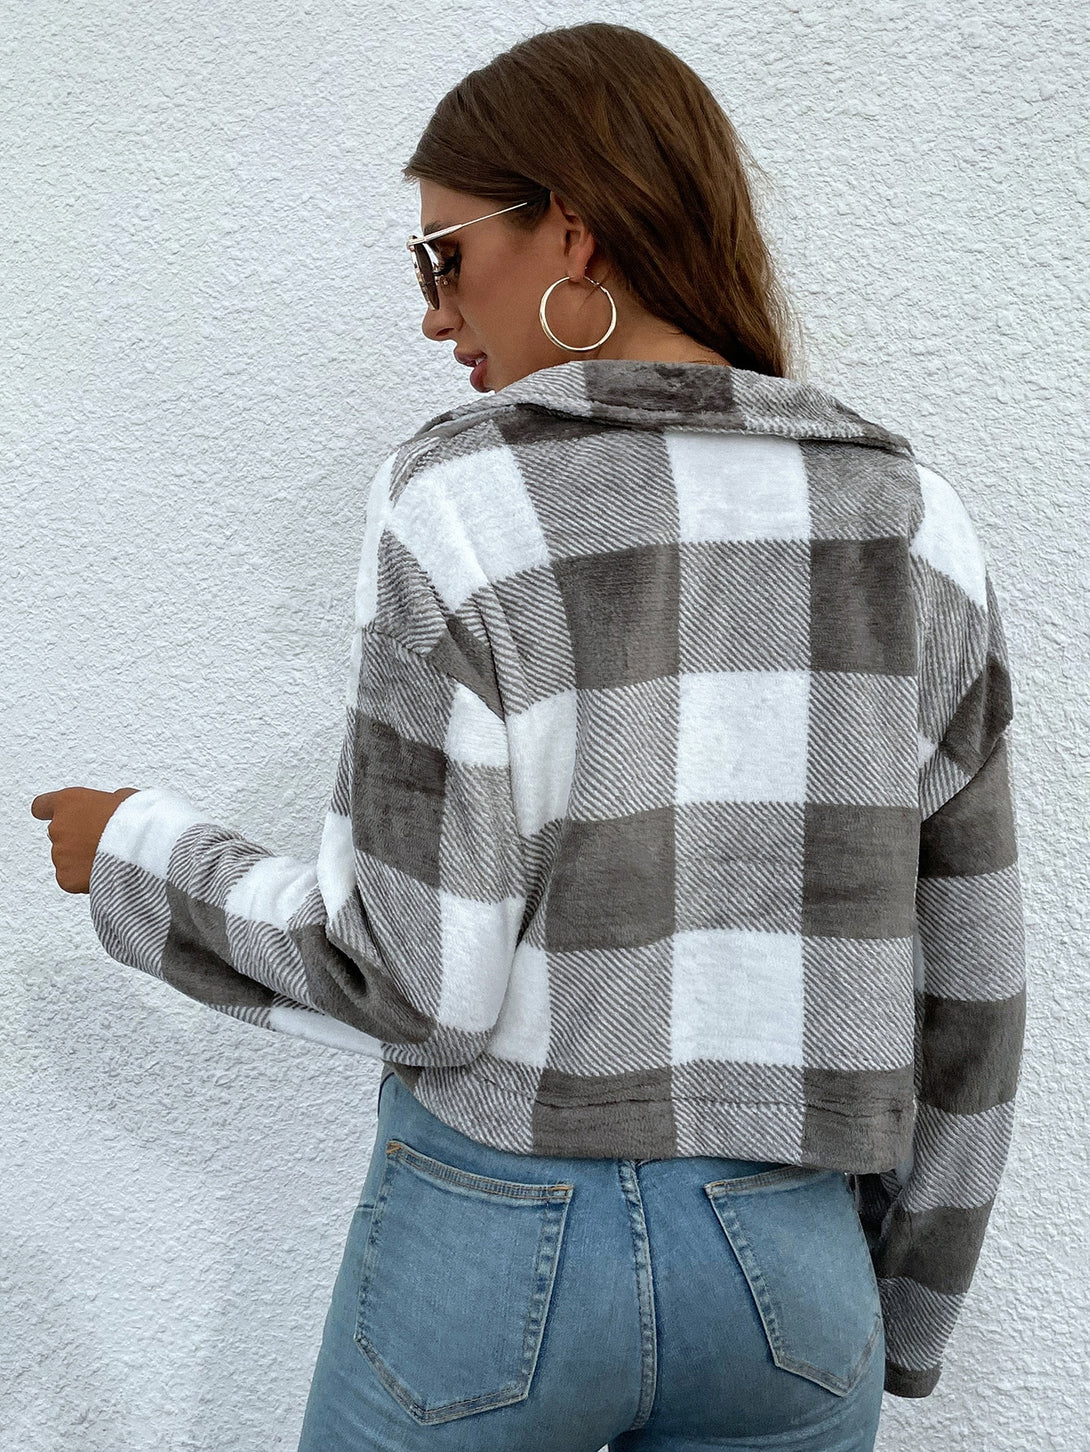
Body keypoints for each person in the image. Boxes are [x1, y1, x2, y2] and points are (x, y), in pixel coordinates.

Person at [30, 21, 1026, 1452]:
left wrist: (135, 852)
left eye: (443, 256)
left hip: (497, 1249)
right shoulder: (913, 521)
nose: (436, 315)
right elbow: (973, 990)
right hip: (791, 1277)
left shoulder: (461, 500)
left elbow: (415, 980)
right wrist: (902, 1319)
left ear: (568, 230)